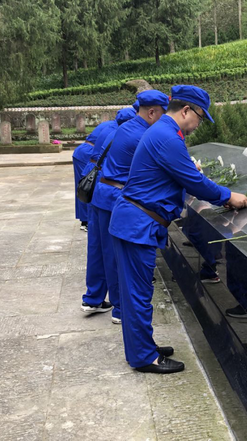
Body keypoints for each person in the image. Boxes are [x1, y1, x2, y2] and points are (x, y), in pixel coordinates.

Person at [109, 85, 247, 374]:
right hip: (137, 225)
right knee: (137, 295)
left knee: (138, 292)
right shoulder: (167, 137)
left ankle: (143, 346)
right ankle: (144, 357)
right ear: (186, 110)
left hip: (137, 222)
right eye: (200, 117)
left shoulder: (163, 131)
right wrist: (229, 196)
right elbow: (195, 183)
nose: (199, 124)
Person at [86, 90, 169, 324]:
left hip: (102, 194)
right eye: (163, 114)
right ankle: (121, 309)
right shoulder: (143, 135)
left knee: (100, 251)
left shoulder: (126, 128)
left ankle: (97, 299)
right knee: (116, 257)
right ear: (152, 112)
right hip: (114, 198)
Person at [80, 106, 137, 314]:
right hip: (110, 195)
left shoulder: (109, 131)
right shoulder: (127, 137)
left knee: (96, 247)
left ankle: (93, 298)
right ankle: (120, 308)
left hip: (98, 192)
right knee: (113, 252)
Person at [72, 119, 116, 231]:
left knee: (84, 186)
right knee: (87, 186)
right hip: (87, 153)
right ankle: (86, 220)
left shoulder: (111, 124)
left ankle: (85, 220)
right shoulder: (116, 127)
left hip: (84, 151)